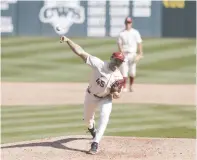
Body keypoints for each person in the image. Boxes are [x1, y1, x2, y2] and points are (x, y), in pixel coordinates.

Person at [60, 36, 125, 154]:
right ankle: (91, 129)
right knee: (87, 120)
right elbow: (80, 52)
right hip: (91, 96)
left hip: (105, 98)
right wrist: (68, 40)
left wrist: (115, 93)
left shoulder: (119, 77)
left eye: (120, 62)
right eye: (116, 60)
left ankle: (95, 143)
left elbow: (118, 94)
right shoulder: (99, 64)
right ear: (111, 58)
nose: (117, 63)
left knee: (105, 117)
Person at [117, 17, 144, 92]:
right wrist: (121, 53)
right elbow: (119, 44)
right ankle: (124, 87)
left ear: (131, 23)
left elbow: (139, 42)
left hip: (132, 54)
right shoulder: (121, 33)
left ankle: (131, 86)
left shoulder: (135, 32)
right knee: (124, 71)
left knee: (132, 72)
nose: (128, 24)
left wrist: (140, 52)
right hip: (124, 54)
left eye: (129, 23)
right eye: (127, 23)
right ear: (125, 23)